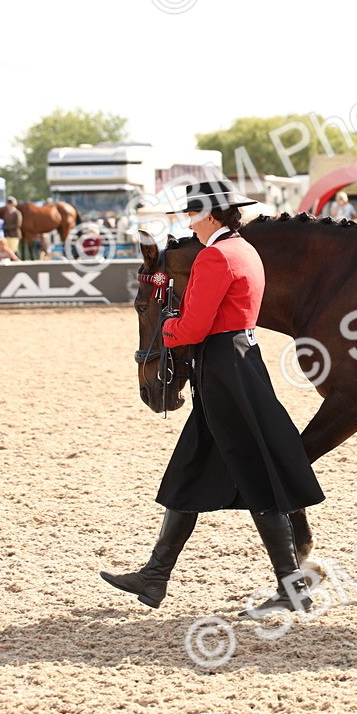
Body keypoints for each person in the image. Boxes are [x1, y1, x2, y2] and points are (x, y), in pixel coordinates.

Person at [102, 179, 325, 618]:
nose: (189, 221)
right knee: (192, 465)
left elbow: (193, 328)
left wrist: (167, 325)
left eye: (192, 214)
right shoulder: (245, 251)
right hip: (236, 365)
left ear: (210, 216)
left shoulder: (215, 256)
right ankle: (155, 575)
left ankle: (292, 589)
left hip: (223, 369)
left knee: (255, 476)